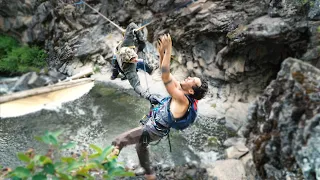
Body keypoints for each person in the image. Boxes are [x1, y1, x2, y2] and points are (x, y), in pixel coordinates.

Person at [110, 34, 208, 180]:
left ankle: (105, 168)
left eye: (191, 80)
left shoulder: (182, 100)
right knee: (140, 147)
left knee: (119, 141)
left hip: (152, 130)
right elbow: (164, 70)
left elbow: (165, 76)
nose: (188, 77)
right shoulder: (181, 92)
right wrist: (161, 53)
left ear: (191, 91)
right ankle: (150, 174)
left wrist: (168, 51)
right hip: (155, 128)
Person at [111, 22, 157, 104]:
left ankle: (150, 70)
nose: (135, 58)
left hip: (121, 55)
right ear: (128, 61)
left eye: (134, 56)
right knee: (138, 62)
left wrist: (140, 38)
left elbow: (132, 25)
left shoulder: (127, 43)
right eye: (133, 59)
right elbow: (136, 86)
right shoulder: (128, 68)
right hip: (122, 67)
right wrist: (148, 96)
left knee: (140, 61)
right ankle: (115, 75)